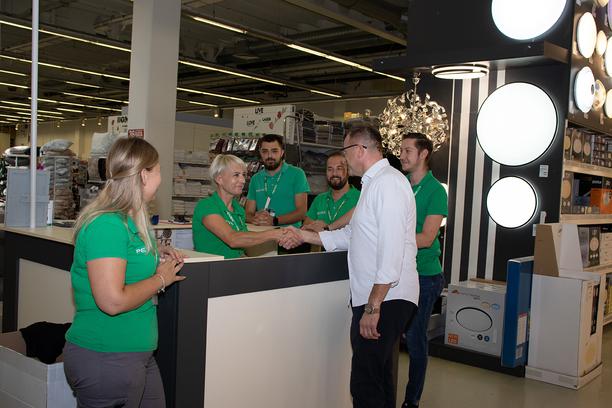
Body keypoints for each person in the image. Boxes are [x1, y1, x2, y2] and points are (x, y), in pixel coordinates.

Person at [281, 125, 419, 408]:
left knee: (365, 383)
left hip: (386, 298)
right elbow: (352, 235)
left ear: (359, 150)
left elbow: (391, 249)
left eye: (345, 152)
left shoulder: (388, 184)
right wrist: (305, 235)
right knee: (378, 378)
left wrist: (373, 306)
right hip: (379, 297)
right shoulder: (373, 184)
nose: (344, 159)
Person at [63, 137, 186, 408]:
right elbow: (112, 301)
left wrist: (155, 253)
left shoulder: (132, 221)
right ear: (144, 175)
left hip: (135, 354)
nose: (161, 179)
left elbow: (125, 260)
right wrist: (161, 278)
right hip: (106, 357)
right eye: (158, 171)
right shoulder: (107, 225)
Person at [399, 132, 448, 408]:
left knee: (415, 340)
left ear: (424, 153)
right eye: (401, 150)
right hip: (398, 270)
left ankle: (412, 400)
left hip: (425, 276)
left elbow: (428, 238)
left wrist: (391, 240)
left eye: (408, 150)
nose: (402, 155)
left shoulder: (435, 190)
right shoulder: (401, 184)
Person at [192, 154, 287, 258]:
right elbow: (233, 239)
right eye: (236, 175)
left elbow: (240, 248)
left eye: (243, 175)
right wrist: (274, 234)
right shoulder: (207, 206)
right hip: (212, 267)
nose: (243, 180)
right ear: (219, 179)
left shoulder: (238, 209)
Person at [245, 134, 310, 227]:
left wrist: (275, 221)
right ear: (260, 153)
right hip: (262, 232)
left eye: (274, 151)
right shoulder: (256, 178)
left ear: (282, 152)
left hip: (290, 234)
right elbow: (248, 213)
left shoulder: (297, 174)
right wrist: (254, 219)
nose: (269, 156)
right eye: (265, 151)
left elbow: (301, 213)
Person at [302, 152, 360, 232]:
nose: (334, 173)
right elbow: (305, 229)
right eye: (330, 169)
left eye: (339, 168)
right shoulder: (319, 199)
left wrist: (326, 228)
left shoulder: (360, 198)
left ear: (348, 171)